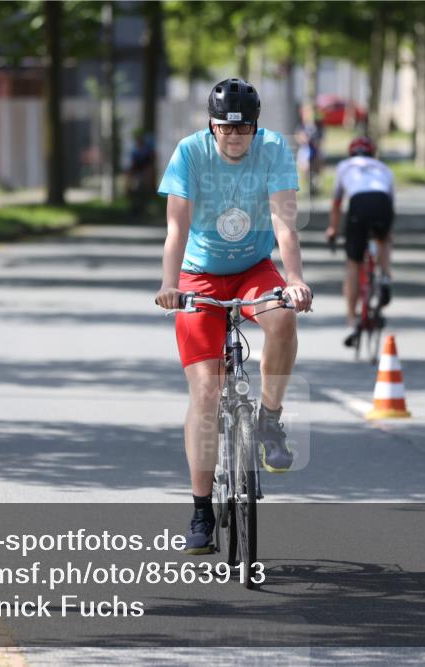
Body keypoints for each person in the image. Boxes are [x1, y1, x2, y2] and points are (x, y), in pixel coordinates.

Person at [153, 78, 313, 555]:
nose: (235, 137)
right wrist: (170, 285)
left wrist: (296, 278)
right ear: (211, 125)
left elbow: (285, 224)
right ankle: (201, 510)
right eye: (225, 129)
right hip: (198, 276)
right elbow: (176, 227)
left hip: (252, 270)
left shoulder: (275, 151)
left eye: (243, 129)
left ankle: (269, 417)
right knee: (206, 391)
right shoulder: (189, 153)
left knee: (283, 317)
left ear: (256, 127)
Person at [325, 136, 396, 347]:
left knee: (353, 264)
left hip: (359, 204)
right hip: (382, 203)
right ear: (372, 154)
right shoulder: (384, 168)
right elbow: (391, 203)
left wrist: (333, 229)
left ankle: (350, 319)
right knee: (384, 239)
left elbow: (336, 203)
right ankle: (385, 276)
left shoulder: (345, 166)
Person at [125, 128, 157, 216]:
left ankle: (142, 209)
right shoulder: (135, 151)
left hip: (144, 173)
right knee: (134, 191)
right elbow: (133, 164)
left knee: (143, 191)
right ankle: (135, 209)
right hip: (137, 174)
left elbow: (149, 164)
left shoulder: (146, 151)